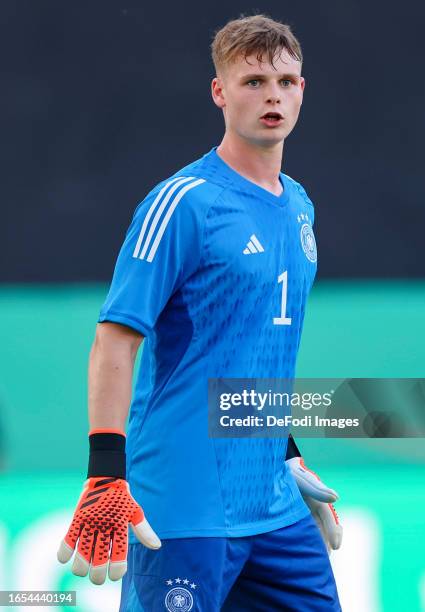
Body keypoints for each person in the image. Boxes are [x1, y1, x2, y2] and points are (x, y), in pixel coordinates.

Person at [57, 14, 343, 611]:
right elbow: (115, 340)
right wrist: (106, 470)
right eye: (254, 81)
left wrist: (283, 450)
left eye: (286, 82)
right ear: (220, 92)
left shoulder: (299, 205)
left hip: (274, 507)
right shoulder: (182, 203)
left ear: (302, 90)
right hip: (186, 506)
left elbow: (251, 343)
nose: (273, 95)